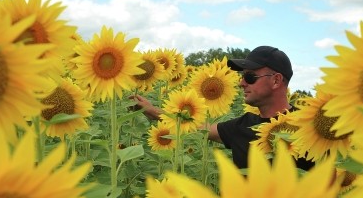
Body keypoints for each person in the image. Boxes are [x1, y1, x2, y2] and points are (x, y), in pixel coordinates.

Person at [132, 45, 314, 170]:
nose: (242, 83)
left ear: (276, 80)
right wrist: (152, 110)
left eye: (250, 77)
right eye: (242, 77)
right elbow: (199, 128)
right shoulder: (243, 126)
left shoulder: (309, 127)